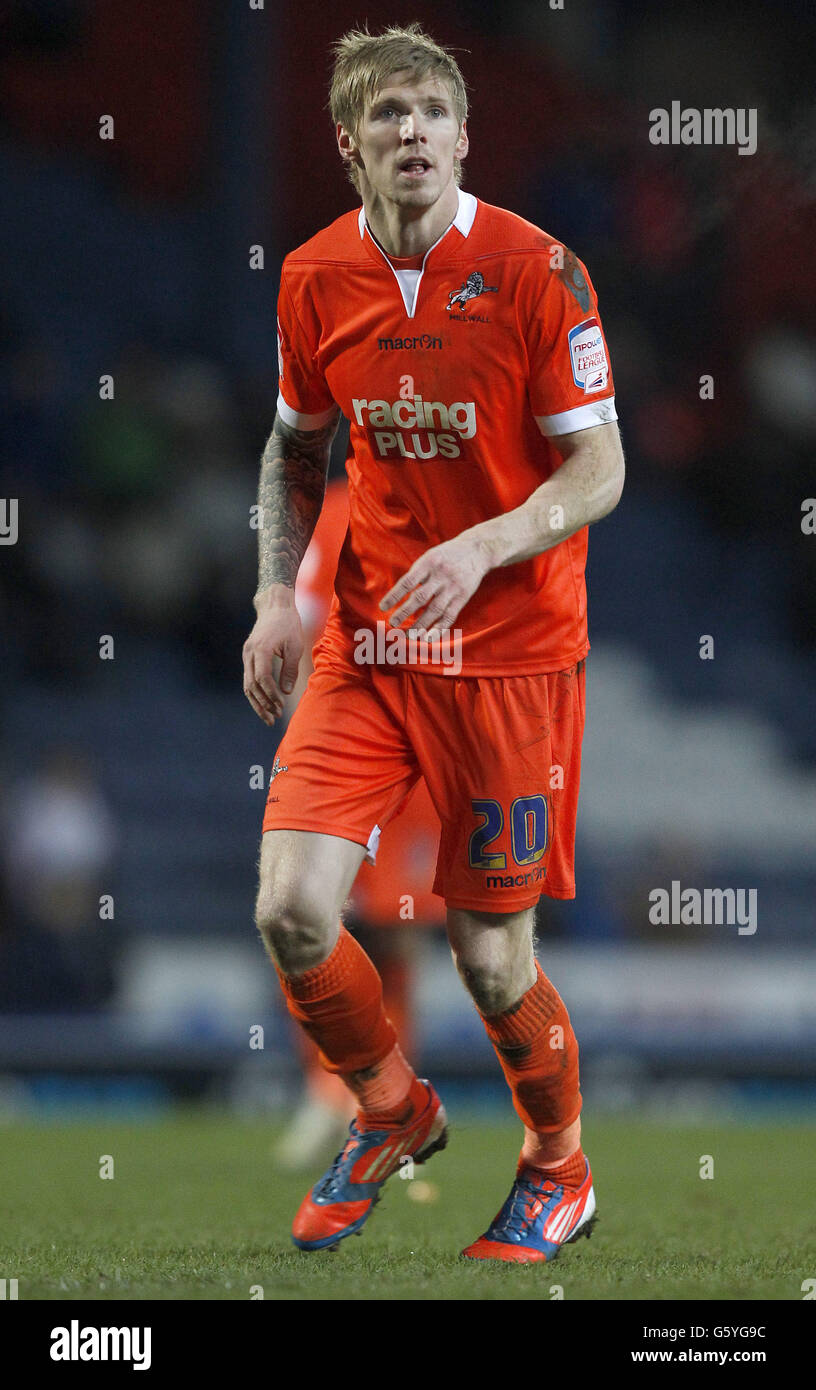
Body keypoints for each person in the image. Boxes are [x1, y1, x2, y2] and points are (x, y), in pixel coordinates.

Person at [242, 22, 625, 1262]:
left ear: (465, 134)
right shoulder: (312, 276)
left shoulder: (538, 268)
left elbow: (602, 464)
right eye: (390, 115)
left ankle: (559, 1171)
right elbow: (295, 450)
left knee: (489, 953)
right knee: (294, 910)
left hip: (512, 653)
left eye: (434, 113)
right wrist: (267, 597)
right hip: (371, 646)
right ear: (349, 144)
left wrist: (486, 544)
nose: (415, 133)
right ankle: (392, 1107)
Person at [271, 473, 444, 1170]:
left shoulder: (466, 507)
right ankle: (326, 1087)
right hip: (351, 748)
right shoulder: (335, 515)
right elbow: (303, 631)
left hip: (430, 756)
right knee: (311, 922)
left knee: (401, 937)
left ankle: (388, 1103)